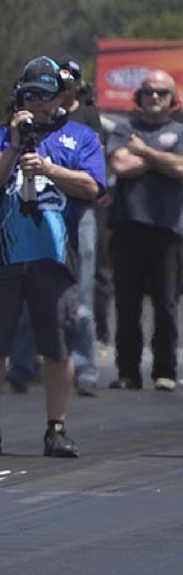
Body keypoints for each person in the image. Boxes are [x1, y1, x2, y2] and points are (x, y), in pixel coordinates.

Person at [0, 56, 105, 458]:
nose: (37, 103)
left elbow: (93, 187)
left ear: (61, 97)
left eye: (45, 96)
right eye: (30, 96)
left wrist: (48, 169)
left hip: (55, 258)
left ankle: (56, 427)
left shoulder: (80, 137)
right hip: (4, 258)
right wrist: (13, 147)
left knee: (57, 345)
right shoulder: (0, 137)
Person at [106, 70, 183, 392]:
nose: (154, 97)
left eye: (161, 92)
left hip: (168, 229)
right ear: (139, 95)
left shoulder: (179, 131)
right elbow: (120, 165)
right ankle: (128, 372)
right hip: (128, 227)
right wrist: (165, 160)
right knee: (127, 304)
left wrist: (145, 152)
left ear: (172, 98)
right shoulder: (125, 128)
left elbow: (181, 169)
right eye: (149, 91)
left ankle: (165, 370)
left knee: (166, 304)